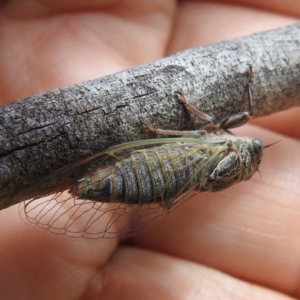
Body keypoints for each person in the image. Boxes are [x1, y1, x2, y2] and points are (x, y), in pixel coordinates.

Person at [1, 1, 300, 299]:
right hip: (160, 182)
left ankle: (109, 169)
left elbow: (195, 130)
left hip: (160, 161)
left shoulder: (222, 142)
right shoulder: (222, 175)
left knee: (196, 131)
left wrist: (164, 127)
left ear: (241, 146)